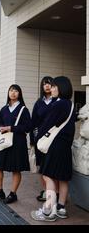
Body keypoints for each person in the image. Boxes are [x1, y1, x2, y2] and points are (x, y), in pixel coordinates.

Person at [31, 77, 76, 222]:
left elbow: (47, 125)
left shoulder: (58, 105)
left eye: (55, 87)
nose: (52, 89)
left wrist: (37, 139)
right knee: (63, 178)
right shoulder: (70, 105)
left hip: (55, 146)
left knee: (48, 175)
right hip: (65, 147)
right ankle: (61, 208)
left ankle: (48, 210)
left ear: (62, 88)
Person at [0, 85, 31, 204]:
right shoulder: (4, 109)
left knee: (16, 169)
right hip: (4, 141)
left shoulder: (23, 109)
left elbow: (28, 127)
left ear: (19, 94)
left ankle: (13, 194)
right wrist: (1, 128)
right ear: (8, 93)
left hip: (18, 142)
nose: (13, 93)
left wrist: (11, 128)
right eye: (11, 90)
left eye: (16, 91)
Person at [30, 77, 56, 203]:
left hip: (54, 139)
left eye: (49, 83)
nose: (47, 86)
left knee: (52, 166)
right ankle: (46, 191)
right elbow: (33, 121)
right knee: (42, 167)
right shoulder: (39, 102)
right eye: (45, 84)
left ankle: (54, 193)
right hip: (40, 140)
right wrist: (32, 139)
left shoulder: (57, 101)